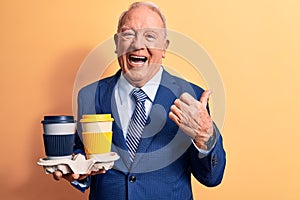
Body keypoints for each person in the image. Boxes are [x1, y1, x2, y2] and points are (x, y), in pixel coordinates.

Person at [54, 2, 226, 200]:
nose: (138, 44)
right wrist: (76, 168)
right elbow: (82, 152)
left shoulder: (191, 96)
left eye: (150, 36)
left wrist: (206, 136)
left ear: (164, 48)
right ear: (117, 43)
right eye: (128, 35)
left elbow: (212, 177)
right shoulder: (89, 95)